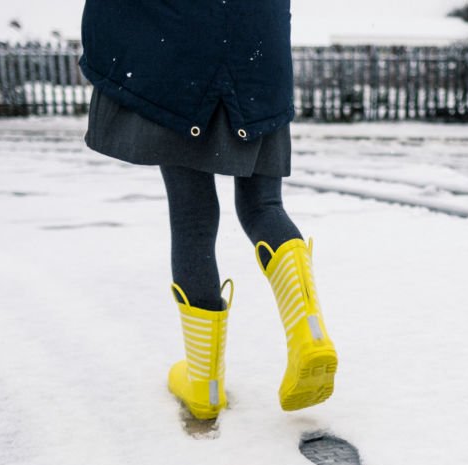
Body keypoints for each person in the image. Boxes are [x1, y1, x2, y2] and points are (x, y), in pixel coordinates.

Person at [78, 0, 338, 420]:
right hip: (257, 51)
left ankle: (204, 384)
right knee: (263, 205)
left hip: (180, 53)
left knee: (192, 217)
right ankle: (309, 333)